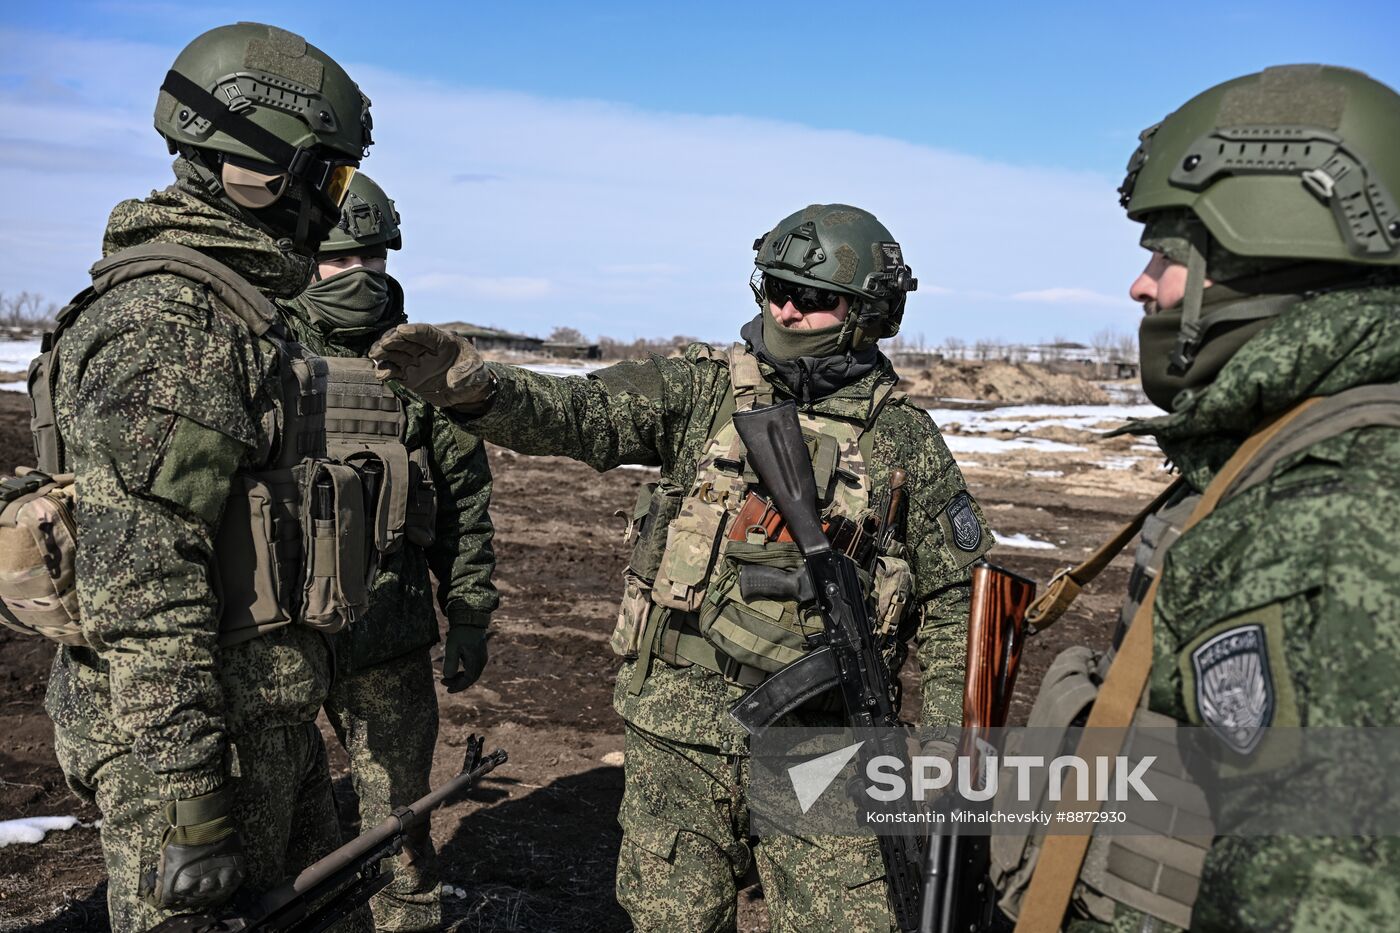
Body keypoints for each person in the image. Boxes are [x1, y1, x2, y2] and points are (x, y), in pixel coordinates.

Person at [369, 203, 993, 930]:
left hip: (823, 747)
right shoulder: (701, 390)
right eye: (774, 287)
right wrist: (479, 389)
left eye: (815, 297)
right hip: (675, 732)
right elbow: (580, 411)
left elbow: (962, 604)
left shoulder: (903, 439)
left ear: (867, 313)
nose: (787, 308)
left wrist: (949, 755)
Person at [996, 64, 1400, 932]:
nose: (1140, 287)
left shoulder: (1335, 506)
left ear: (1268, 247)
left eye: (1166, 255)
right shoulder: (1281, 450)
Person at [33, 23, 376, 932]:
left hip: (259, 721)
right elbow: (145, 586)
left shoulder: (237, 310)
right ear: (259, 166)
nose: (331, 205)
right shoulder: (170, 326)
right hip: (190, 753)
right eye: (327, 177)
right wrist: (191, 803)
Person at [277, 172, 498, 931]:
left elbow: (464, 498)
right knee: (278, 829)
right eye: (344, 259)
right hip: (278, 638)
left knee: (399, 820)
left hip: (390, 633)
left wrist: (468, 612)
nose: (364, 275)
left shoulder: (420, 359)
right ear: (308, 258)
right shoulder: (262, 344)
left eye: (375, 257)